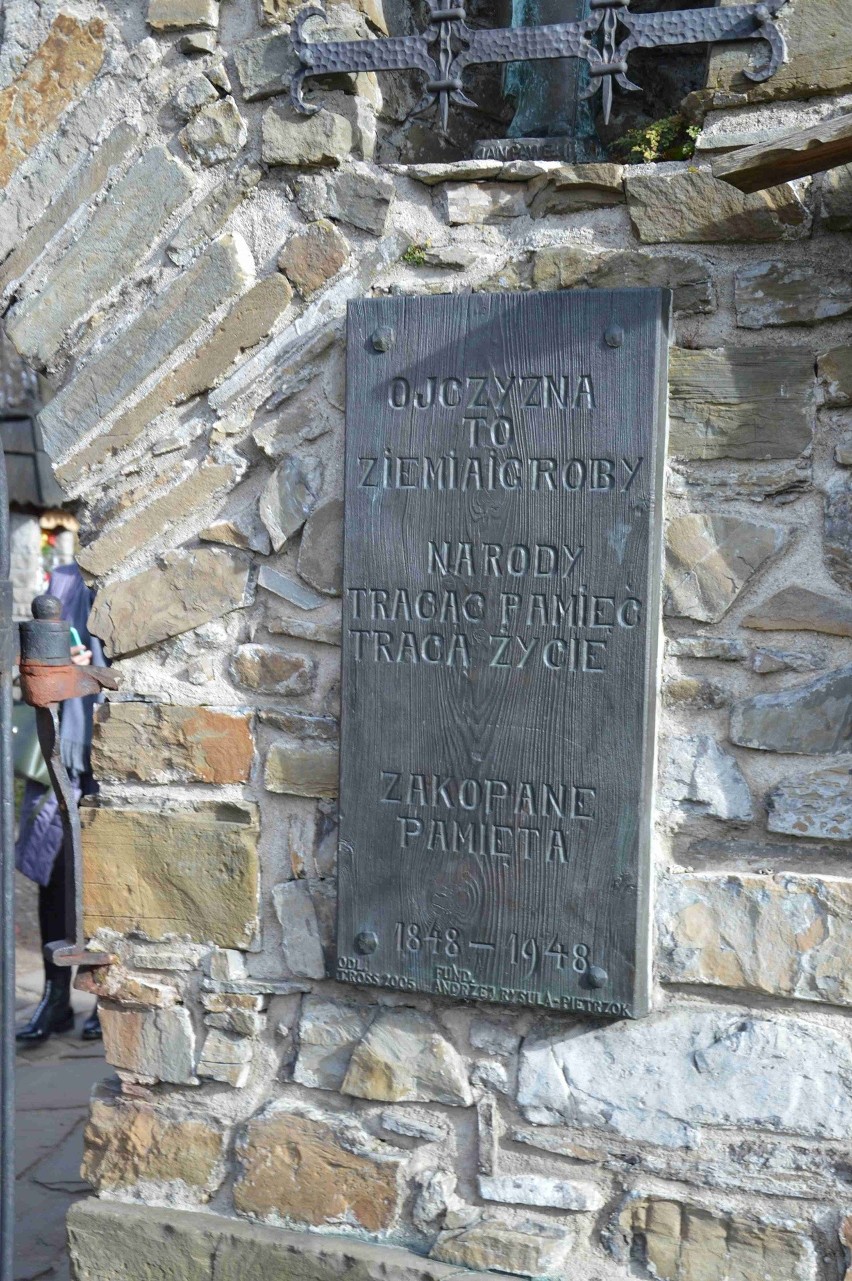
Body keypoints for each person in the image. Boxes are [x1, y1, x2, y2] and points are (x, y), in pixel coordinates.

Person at [15, 562, 105, 1044]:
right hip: (60, 747)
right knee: (55, 873)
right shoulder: (64, 580)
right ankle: (55, 999)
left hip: (109, 744)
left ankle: (101, 1000)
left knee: (105, 874)